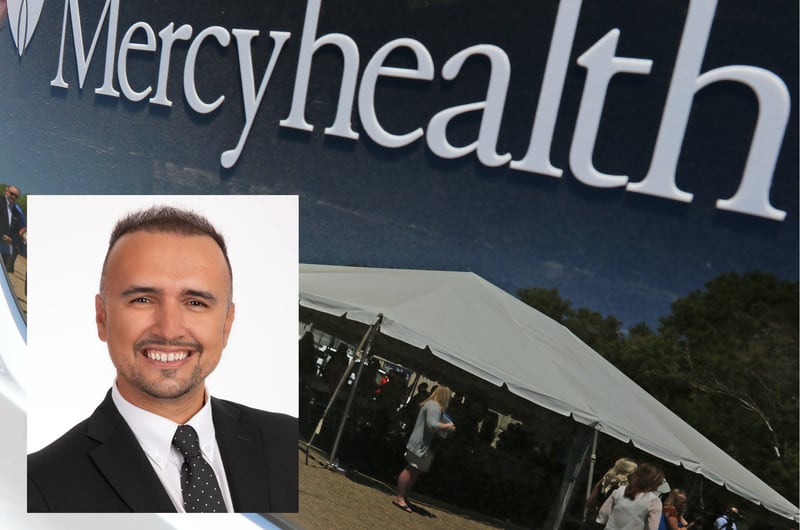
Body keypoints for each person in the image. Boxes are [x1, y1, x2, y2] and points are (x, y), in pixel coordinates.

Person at [27, 205, 298, 513]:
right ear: (102, 317)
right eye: (142, 299)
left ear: (227, 324)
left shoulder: (285, 441)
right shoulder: (37, 489)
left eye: (195, 302)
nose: (169, 329)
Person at [392, 385, 456, 513]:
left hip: (424, 444)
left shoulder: (432, 405)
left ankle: (404, 496)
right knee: (411, 469)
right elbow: (432, 424)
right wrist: (448, 426)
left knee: (415, 470)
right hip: (420, 443)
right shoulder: (434, 406)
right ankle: (400, 497)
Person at [596, 462, 665, 530]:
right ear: (656, 482)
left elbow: (603, 514)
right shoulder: (654, 501)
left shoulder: (621, 490)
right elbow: (652, 527)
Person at [0, 184, 25, 273]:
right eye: (11, 193)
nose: (13, 197)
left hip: (5, 249)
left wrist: (11, 239)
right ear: (6, 191)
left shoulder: (17, 213)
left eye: (16, 196)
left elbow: (19, 231)